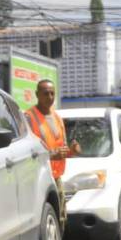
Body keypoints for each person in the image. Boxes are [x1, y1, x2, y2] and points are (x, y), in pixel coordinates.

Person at [25, 79, 81, 230]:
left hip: (56, 177)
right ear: (37, 94)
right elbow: (27, 152)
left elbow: (60, 148)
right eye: (45, 94)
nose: (50, 97)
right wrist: (51, 154)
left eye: (52, 93)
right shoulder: (29, 118)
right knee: (44, 221)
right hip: (37, 178)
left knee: (60, 218)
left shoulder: (57, 118)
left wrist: (71, 151)